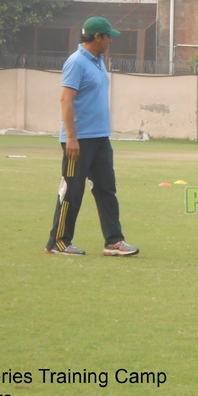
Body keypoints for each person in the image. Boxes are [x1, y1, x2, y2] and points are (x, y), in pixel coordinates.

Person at [45, 16, 139, 257]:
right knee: (72, 190)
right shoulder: (76, 62)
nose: (110, 42)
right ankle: (58, 242)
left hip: (99, 138)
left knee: (106, 188)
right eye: (108, 37)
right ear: (97, 37)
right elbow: (66, 100)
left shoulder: (98, 61)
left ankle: (113, 241)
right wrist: (72, 139)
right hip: (79, 140)